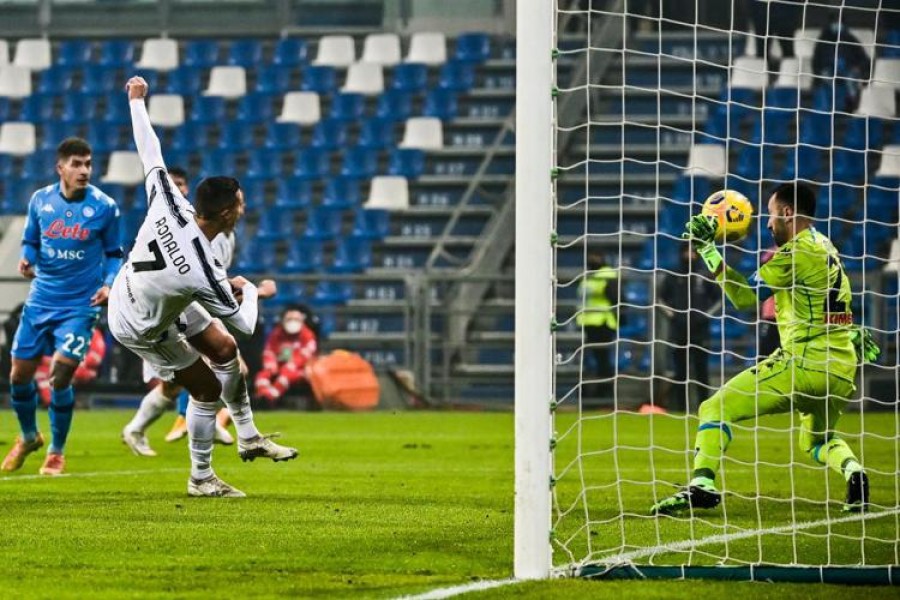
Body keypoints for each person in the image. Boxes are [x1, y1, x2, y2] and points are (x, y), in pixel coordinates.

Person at [109, 76, 297, 497]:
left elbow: (149, 150)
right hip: (139, 323)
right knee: (207, 387)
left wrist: (136, 102)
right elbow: (246, 323)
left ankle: (249, 436)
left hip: (141, 291)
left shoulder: (171, 201)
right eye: (242, 204)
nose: (245, 209)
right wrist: (250, 290)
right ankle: (201, 478)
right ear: (228, 213)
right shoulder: (203, 269)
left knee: (225, 350)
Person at [651, 183, 880, 516]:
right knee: (814, 441)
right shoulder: (826, 245)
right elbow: (832, 297)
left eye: (772, 215)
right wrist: (853, 329)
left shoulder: (793, 252)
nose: (769, 224)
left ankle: (702, 484)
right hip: (842, 369)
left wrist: (707, 249)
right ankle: (854, 473)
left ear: (787, 213)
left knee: (714, 408)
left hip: (804, 365)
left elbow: (744, 298)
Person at [1, 138, 123, 476]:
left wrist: (109, 284)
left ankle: (56, 451)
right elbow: (31, 240)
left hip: (79, 306)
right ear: (61, 168)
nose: (84, 170)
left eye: (88, 164)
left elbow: (115, 255)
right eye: (76, 164)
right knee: (19, 376)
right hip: (40, 300)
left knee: (61, 372)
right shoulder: (40, 200)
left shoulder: (105, 206)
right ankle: (28, 437)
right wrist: (28, 258)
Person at [121, 167, 249, 456]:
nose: (177, 190)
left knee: (198, 379)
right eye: (172, 185)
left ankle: (140, 428)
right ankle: (197, 433)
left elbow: (210, 276)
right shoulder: (170, 226)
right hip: (170, 314)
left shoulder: (224, 235)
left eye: (181, 185)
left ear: (189, 190)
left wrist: (227, 289)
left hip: (197, 309)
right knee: (205, 376)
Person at [646, 243, 720, 414]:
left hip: (700, 330)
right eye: (686, 251)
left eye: (692, 252)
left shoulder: (704, 275)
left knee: (702, 371)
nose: (689, 255)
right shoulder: (673, 275)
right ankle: (681, 409)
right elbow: (660, 299)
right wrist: (672, 315)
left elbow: (718, 299)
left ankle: (705, 408)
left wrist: (705, 315)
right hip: (679, 330)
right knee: (681, 372)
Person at [254, 306, 319, 407]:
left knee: (286, 375)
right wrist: (270, 364)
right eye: (289, 319)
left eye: (296, 319)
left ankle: (271, 397)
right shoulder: (277, 333)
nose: (293, 322)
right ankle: (263, 395)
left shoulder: (307, 335)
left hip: (300, 370)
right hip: (279, 365)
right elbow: (269, 350)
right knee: (262, 375)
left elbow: (307, 353)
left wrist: (293, 364)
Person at [577, 254, 618, 399]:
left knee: (603, 359)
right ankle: (597, 393)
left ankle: (605, 392)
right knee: (597, 359)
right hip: (588, 322)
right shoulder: (589, 275)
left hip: (602, 322)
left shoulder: (606, 274)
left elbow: (616, 297)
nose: (593, 260)